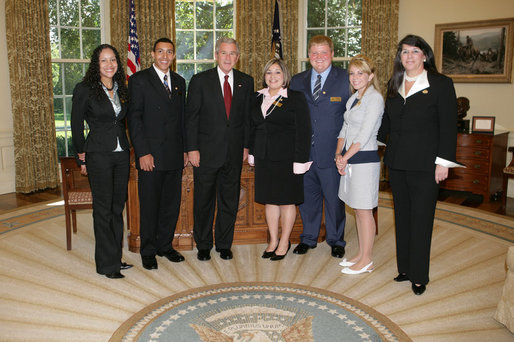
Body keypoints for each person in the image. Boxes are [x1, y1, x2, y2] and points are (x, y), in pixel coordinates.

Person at [378, 34, 459, 295]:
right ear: (399, 57)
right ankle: (405, 269)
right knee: (402, 217)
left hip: (426, 165)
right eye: (404, 52)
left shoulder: (440, 84)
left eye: (415, 51)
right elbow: (386, 124)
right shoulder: (394, 84)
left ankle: (419, 275)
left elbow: (448, 127)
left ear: (425, 55)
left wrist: (443, 162)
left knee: (421, 219)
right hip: (397, 163)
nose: (409, 56)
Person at [185, 37, 254, 261]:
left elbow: (246, 119)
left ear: (237, 57)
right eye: (224, 53)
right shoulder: (199, 80)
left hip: (233, 153)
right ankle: (203, 245)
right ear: (216, 55)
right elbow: (191, 118)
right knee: (203, 201)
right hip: (205, 153)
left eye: (232, 53)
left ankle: (224, 244)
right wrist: (192, 148)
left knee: (229, 201)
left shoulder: (246, 81)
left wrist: (245, 146)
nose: (228, 57)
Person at [71, 44, 132, 279]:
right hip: (98, 154)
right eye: (104, 60)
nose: (110, 64)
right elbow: (76, 124)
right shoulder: (85, 89)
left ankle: (115, 258)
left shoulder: (121, 88)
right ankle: (106, 265)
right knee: (103, 209)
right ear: (96, 65)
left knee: (117, 208)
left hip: (121, 154)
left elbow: (123, 121)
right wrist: (80, 155)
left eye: (113, 60)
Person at [127, 38, 187, 270]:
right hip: (150, 155)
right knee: (150, 205)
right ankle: (148, 250)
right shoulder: (139, 80)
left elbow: (182, 120)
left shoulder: (180, 82)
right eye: (160, 51)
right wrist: (142, 152)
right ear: (153, 54)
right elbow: (134, 119)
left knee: (170, 204)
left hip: (174, 155)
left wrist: (183, 150)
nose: (164, 55)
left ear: (173, 56)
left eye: (169, 52)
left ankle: (165, 245)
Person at [289, 35, 350, 258]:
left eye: (324, 52)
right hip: (304, 153)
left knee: (334, 200)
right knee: (308, 199)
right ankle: (308, 237)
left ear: (332, 54)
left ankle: (336, 239)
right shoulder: (297, 80)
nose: (319, 57)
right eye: (314, 53)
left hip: (333, 152)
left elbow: (353, 116)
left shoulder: (346, 78)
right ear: (308, 55)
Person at [248, 58, 312, 261]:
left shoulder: (295, 98)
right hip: (264, 158)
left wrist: (300, 161)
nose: (272, 76)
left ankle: (285, 241)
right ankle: (273, 240)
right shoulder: (257, 97)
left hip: (288, 158)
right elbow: (253, 127)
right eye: (268, 72)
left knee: (286, 201)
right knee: (270, 200)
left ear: (284, 76)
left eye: (277, 72)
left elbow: (304, 131)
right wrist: (252, 152)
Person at [334, 55, 384, 275]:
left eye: (360, 73)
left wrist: (345, 157)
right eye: (352, 73)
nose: (355, 77)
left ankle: (367, 259)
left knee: (364, 211)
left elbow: (363, 135)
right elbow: (345, 129)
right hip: (349, 158)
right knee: (357, 207)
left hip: (364, 160)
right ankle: (361, 254)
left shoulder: (375, 99)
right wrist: (338, 154)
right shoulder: (353, 98)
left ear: (370, 76)